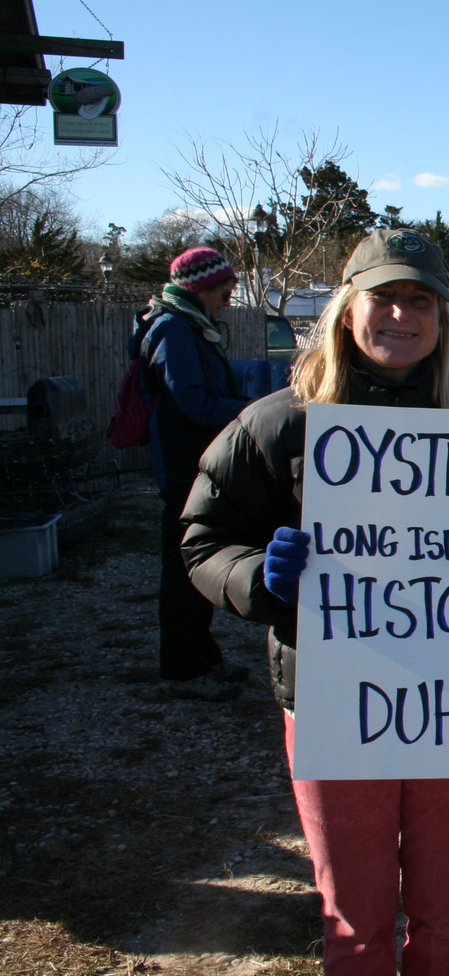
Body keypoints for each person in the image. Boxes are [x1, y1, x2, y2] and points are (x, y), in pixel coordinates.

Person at [179, 229, 449, 976]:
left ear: (444, 317)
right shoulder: (279, 423)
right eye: (382, 297)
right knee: (354, 924)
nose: (400, 314)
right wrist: (258, 578)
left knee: (447, 911)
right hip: (332, 700)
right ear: (346, 309)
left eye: (419, 299)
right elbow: (203, 542)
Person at [140, 247, 249, 701]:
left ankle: (202, 656)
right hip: (184, 465)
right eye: (226, 288)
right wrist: (255, 412)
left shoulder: (187, 326)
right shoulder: (172, 329)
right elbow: (194, 403)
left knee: (197, 561)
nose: (230, 296)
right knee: (185, 566)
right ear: (202, 287)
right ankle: (184, 671)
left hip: (196, 462)